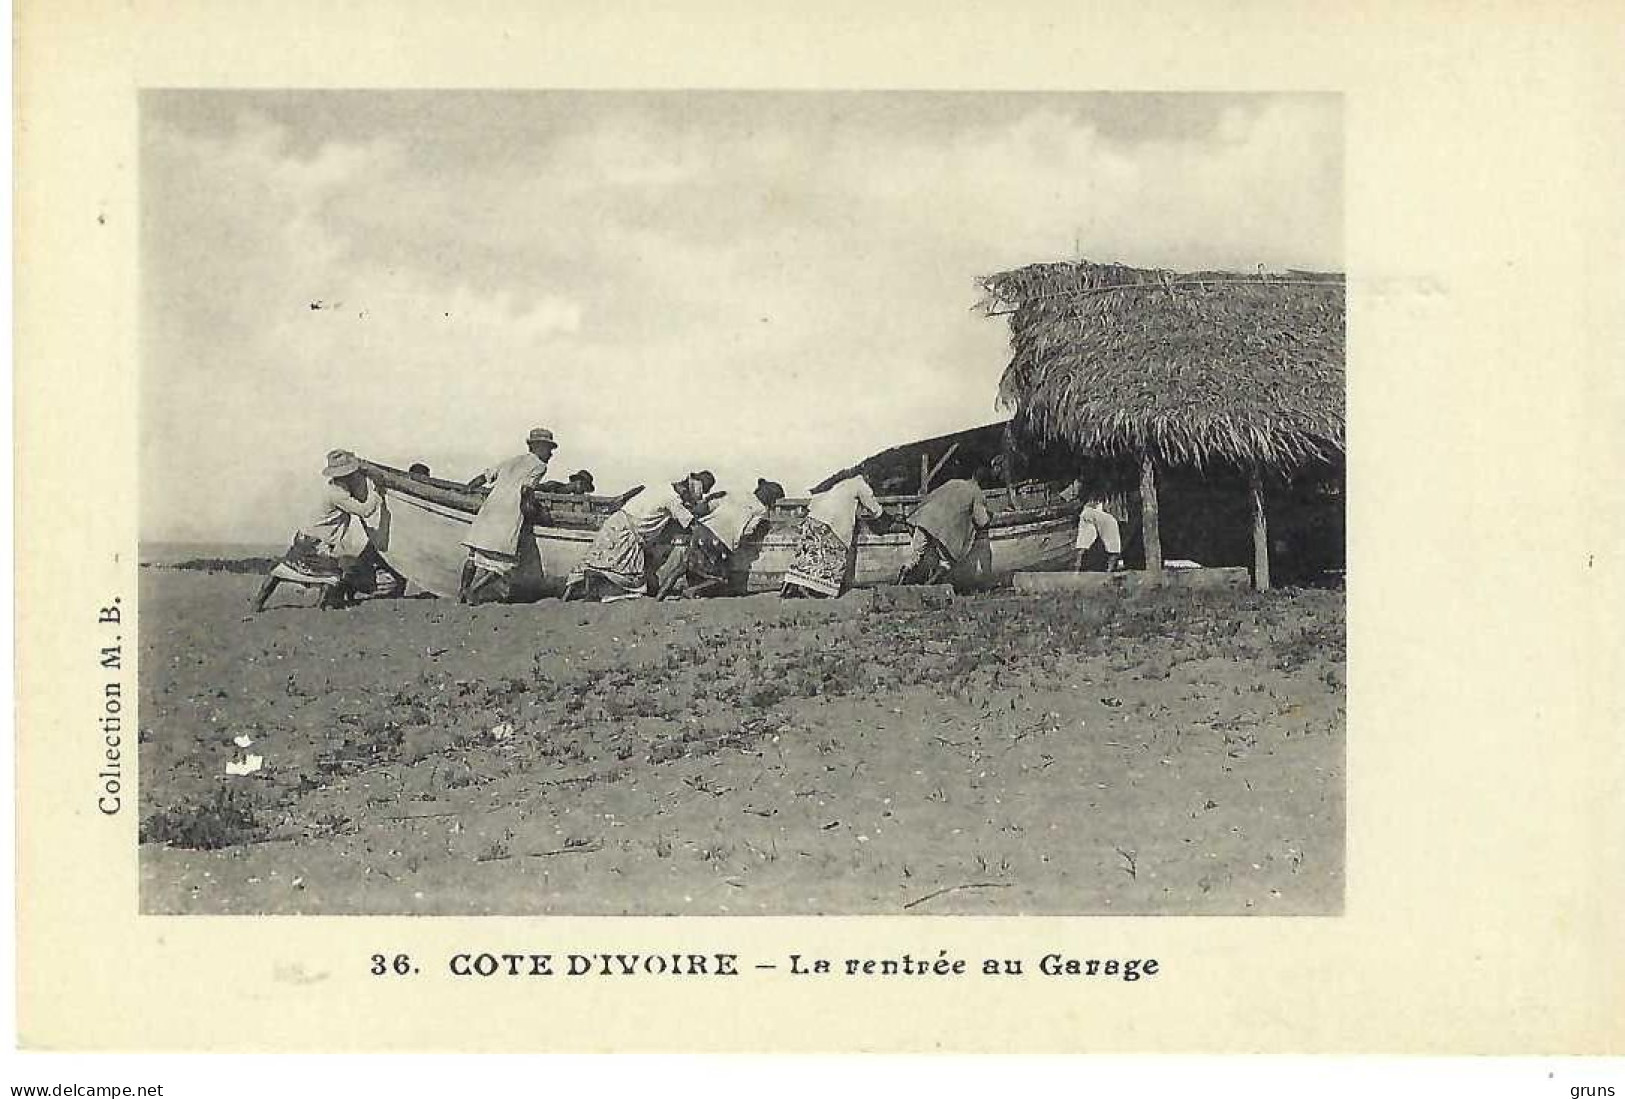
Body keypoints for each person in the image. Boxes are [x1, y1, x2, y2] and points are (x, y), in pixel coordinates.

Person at [251, 449, 386, 612]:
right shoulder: (338, 494)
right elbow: (365, 511)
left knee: (283, 571)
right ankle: (320, 607)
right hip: (316, 545)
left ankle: (257, 604)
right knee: (330, 575)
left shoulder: (332, 488)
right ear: (347, 475)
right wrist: (378, 491)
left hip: (305, 538)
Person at [564, 471, 715, 602]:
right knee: (630, 582)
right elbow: (691, 524)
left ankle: (568, 595)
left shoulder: (662, 487)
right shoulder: (673, 501)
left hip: (616, 523)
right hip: (627, 536)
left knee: (593, 562)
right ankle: (601, 596)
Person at [459, 428, 558, 603]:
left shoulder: (513, 460)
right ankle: (474, 592)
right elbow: (527, 491)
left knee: (474, 555)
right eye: (548, 449)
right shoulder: (540, 466)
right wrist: (539, 514)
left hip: (489, 510)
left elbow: (484, 476)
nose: (550, 454)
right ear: (538, 447)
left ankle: (462, 591)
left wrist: (467, 489)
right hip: (508, 514)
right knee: (503, 562)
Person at [656, 478, 785, 599]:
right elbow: (748, 531)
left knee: (683, 566)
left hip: (703, 529)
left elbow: (711, 505)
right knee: (721, 578)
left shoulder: (738, 493)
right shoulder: (760, 510)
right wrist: (738, 541)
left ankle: (660, 596)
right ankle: (692, 591)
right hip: (721, 542)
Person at [781, 468, 884, 598]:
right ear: (866, 476)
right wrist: (879, 513)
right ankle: (821, 592)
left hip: (814, 518)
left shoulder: (838, 483)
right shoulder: (859, 484)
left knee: (808, 554)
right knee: (832, 559)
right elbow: (872, 504)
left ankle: (792, 581)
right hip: (833, 524)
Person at [896, 469, 991, 585]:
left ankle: (898, 584)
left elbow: (931, 496)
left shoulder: (953, 482)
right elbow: (981, 521)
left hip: (926, 518)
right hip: (945, 529)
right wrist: (989, 515)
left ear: (972, 475)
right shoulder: (977, 493)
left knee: (915, 555)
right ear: (984, 483)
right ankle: (929, 586)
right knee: (946, 562)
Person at [1074, 491, 1125, 573]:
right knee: (1113, 546)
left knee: (1083, 544)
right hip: (1097, 513)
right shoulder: (1093, 510)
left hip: (1094, 513)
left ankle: (1077, 571)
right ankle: (1109, 570)